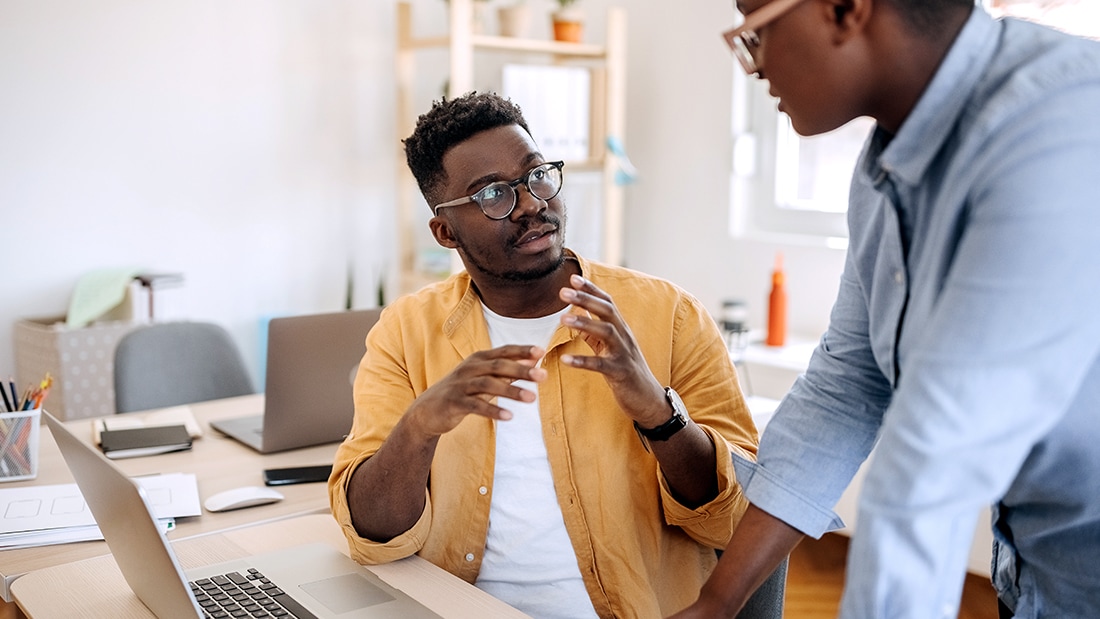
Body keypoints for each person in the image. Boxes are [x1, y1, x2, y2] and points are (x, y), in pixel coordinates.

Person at [672, 0, 1100, 617]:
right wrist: (717, 601)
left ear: (844, 10)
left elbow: (937, 455)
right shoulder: (884, 174)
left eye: (755, 33)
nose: (753, 67)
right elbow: (846, 384)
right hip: (1036, 572)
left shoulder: (1057, 125)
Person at [328, 92, 759, 618]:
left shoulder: (669, 315)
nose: (531, 204)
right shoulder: (406, 331)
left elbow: (736, 522)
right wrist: (418, 428)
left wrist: (658, 413)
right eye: (492, 195)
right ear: (445, 231)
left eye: (536, 177)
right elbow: (372, 534)